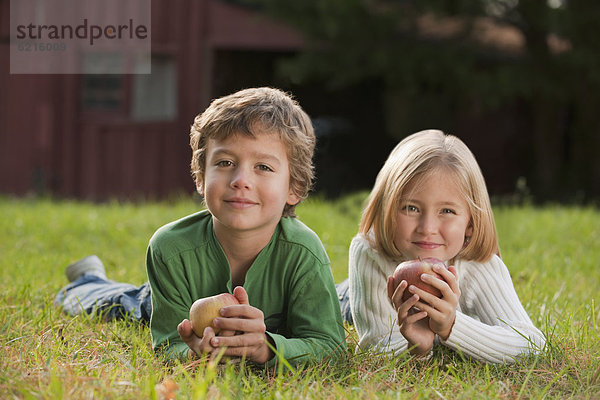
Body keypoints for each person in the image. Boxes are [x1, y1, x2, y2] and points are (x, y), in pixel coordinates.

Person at [55, 87, 346, 367]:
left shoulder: (304, 253)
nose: (240, 180)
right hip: (171, 302)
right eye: (225, 162)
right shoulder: (170, 248)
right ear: (200, 177)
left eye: (263, 167)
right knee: (123, 304)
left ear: (294, 188)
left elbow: (329, 346)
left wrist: (267, 348)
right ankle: (87, 282)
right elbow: (169, 344)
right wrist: (193, 353)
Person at [343, 129, 545, 363]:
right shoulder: (370, 251)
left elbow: (532, 345)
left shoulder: (477, 262)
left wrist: (451, 326)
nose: (427, 227)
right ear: (386, 210)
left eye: (447, 211)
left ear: (470, 224)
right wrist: (416, 349)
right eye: (411, 208)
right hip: (350, 299)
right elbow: (373, 349)